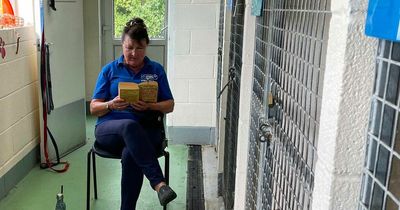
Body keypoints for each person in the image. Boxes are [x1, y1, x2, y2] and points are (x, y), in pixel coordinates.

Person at [90, 17, 177, 209]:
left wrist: (150, 106)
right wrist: (111, 104)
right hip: (110, 129)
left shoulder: (156, 70)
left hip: (146, 130)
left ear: (146, 47)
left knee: (131, 153)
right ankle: (159, 184)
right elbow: (94, 107)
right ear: (122, 45)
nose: (134, 53)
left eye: (139, 48)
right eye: (129, 47)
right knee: (129, 126)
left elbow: (170, 105)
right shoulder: (109, 70)